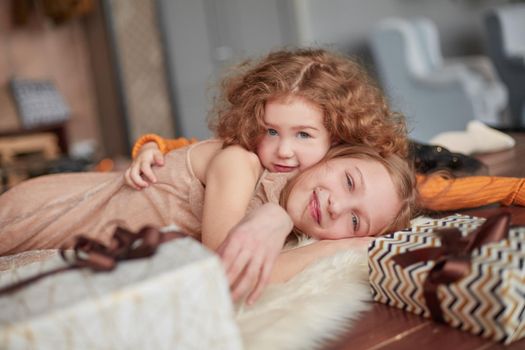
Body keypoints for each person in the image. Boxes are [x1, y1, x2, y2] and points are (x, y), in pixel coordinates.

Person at [124, 48, 408, 301]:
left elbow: (387, 190)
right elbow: (227, 268)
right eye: (271, 131)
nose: (284, 150)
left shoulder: (313, 182)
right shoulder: (243, 158)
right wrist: (154, 145)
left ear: (337, 140)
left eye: (303, 135)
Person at [0, 141, 417, 303]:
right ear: (332, 154)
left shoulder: (292, 229)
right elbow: (226, 266)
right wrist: (339, 246)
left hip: (87, 247)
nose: (335, 206)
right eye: (347, 181)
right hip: (57, 210)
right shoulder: (242, 163)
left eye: (355, 221)